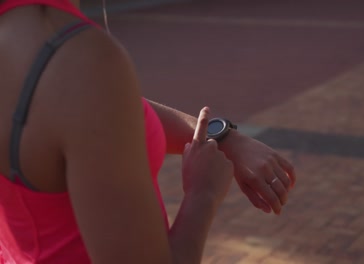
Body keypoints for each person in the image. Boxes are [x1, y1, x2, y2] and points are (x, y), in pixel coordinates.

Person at [0, 0, 296, 263]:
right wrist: (202, 195)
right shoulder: (79, 59)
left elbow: (102, 110)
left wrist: (221, 136)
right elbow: (91, 99)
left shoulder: (25, 38)